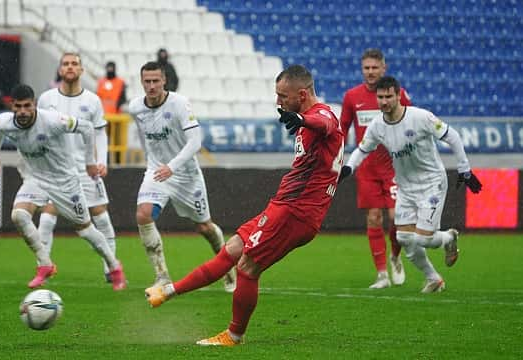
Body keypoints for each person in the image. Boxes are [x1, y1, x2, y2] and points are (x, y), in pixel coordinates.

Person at [144, 65, 345, 346]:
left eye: (282, 96)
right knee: (233, 248)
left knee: (247, 267)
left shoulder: (320, 115)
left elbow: (326, 123)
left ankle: (233, 335)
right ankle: (169, 291)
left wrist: (301, 119)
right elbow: (327, 158)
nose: (278, 102)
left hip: (295, 212)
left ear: (301, 95)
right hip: (284, 205)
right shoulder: (307, 123)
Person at [340, 76, 483, 294]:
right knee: (404, 237)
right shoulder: (377, 125)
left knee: (423, 238)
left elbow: (452, 136)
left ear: (399, 96)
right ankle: (433, 279)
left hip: (432, 183)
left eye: (389, 96)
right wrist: (349, 167)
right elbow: (363, 149)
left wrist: (465, 169)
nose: (384, 101)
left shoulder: (420, 117)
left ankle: (448, 237)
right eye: (380, 97)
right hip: (405, 187)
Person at [0, 84, 126, 291]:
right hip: (36, 178)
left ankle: (114, 267)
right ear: (12, 106)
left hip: (65, 182)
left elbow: (88, 128)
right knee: (19, 216)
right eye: (19, 107)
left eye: (28, 106)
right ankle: (45, 264)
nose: (23, 111)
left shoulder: (53, 121)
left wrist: (90, 162)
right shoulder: (4, 122)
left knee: (86, 230)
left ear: (34, 104)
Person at [130, 61, 235, 292]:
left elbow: (195, 142)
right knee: (144, 214)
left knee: (204, 227)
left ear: (164, 80)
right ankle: (162, 276)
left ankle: (228, 268)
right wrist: (154, 163)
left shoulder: (179, 104)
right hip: (157, 171)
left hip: (185, 174)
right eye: (147, 81)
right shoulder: (136, 107)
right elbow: (143, 136)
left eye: (156, 81)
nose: (151, 86)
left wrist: (173, 166)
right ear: (141, 82)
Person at [37, 52, 118, 283]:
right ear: (60, 70)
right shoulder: (46, 99)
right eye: (66, 64)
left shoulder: (92, 100)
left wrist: (102, 161)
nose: (70, 67)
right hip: (57, 170)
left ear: (81, 70)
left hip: (86, 169)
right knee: (46, 218)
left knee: (101, 218)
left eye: (74, 64)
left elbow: (101, 133)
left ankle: (110, 268)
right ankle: (43, 266)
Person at [340, 48, 411, 289]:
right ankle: (381, 274)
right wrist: (338, 159)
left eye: (374, 68)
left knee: (397, 219)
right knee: (373, 217)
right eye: (366, 68)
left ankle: (395, 256)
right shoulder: (352, 97)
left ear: (384, 68)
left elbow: (410, 125)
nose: (370, 72)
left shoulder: (397, 94)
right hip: (368, 168)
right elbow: (343, 129)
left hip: (394, 167)